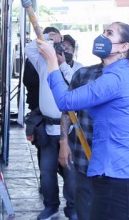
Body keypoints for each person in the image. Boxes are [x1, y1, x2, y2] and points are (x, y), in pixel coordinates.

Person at [38, 22, 129, 220]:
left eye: (109, 33)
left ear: (124, 47)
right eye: (103, 32)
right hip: (112, 176)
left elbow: (65, 102)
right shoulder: (119, 75)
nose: (102, 37)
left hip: (119, 180)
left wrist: (52, 62)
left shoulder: (116, 78)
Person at [26, 27, 81, 220]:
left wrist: (62, 64)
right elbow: (29, 50)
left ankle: (73, 208)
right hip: (48, 129)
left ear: (73, 50)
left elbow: (74, 82)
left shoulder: (79, 69)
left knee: (71, 173)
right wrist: (48, 39)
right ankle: (51, 206)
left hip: (72, 130)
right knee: (46, 170)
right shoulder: (43, 64)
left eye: (66, 48)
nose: (62, 50)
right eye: (59, 47)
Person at [59, 62, 104, 220]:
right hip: (84, 159)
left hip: (114, 166)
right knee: (83, 210)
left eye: (110, 35)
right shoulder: (83, 74)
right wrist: (63, 142)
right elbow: (68, 110)